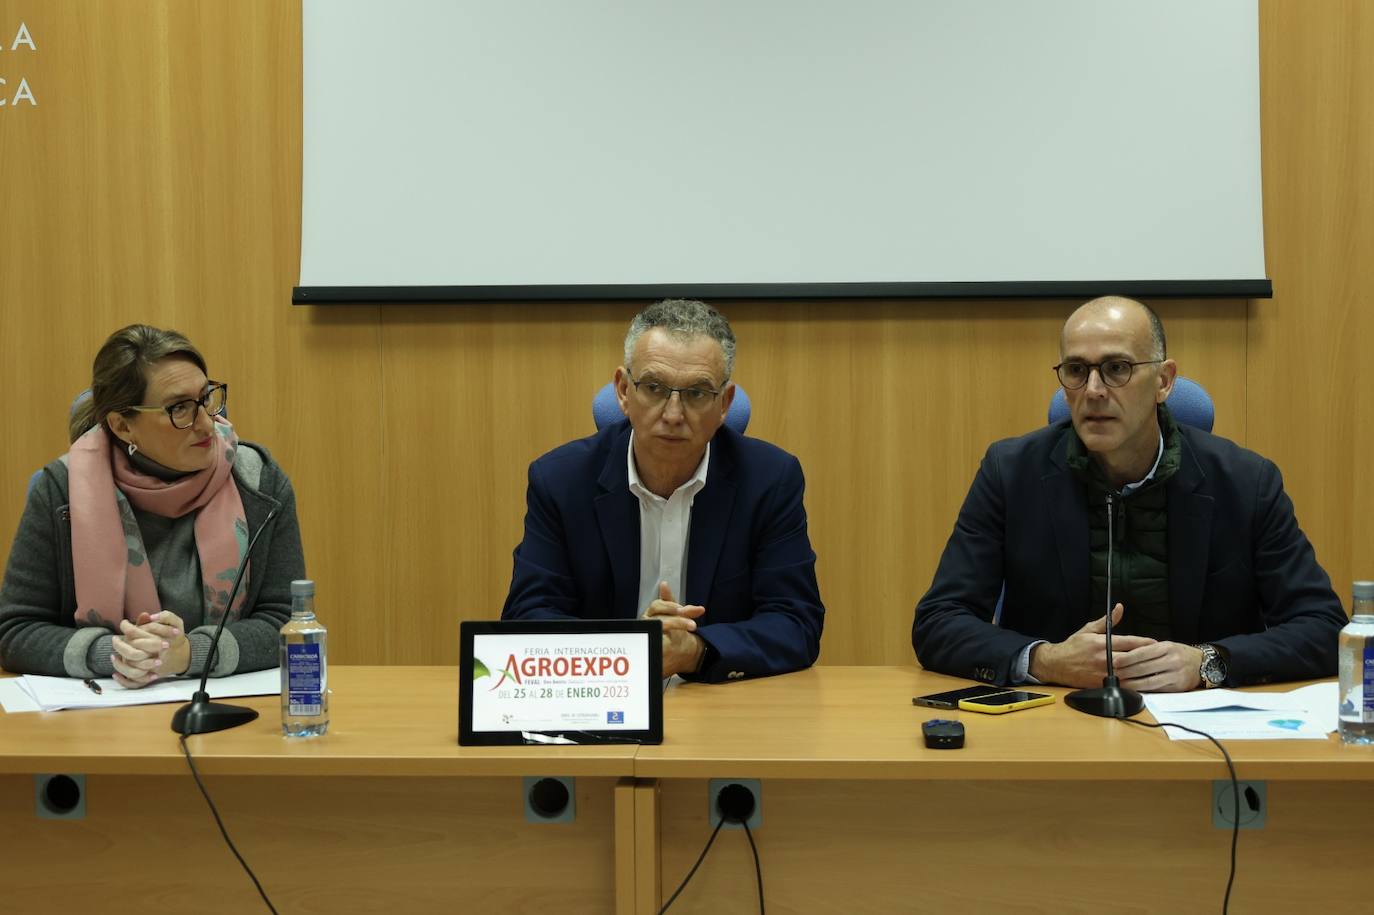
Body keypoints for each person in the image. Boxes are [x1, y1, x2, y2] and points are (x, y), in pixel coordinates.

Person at [913, 296, 1345, 691]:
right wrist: (1045, 660)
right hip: (1056, 721)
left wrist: (1208, 663)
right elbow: (939, 622)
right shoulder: (1010, 472)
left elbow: (1324, 627)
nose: (1095, 390)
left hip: (1200, 729)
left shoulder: (1246, 482)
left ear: (1164, 381)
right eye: (1077, 370)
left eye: (1117, 368)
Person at [501, 299, 824, 681]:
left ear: (725, 404)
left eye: (697, 393)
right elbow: (529, 616)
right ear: (623, 390)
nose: (673, 414)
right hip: (599, 698)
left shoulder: (770, 480)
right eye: (654, 388)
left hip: (718, 704)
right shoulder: (561, 480)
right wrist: (630, 648)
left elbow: (794, 623)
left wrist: (696, 651)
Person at [0, 325, 305, 687]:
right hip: (100, 718)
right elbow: (15, 630)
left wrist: (189, 653)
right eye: (179, 408)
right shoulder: (61, 490)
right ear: (123, 426)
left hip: (226, 712)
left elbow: (291, 622)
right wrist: (116, 654)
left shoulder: (259, 483)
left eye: (206, 398)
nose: (207, 423)